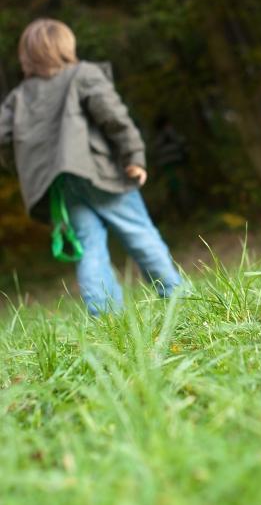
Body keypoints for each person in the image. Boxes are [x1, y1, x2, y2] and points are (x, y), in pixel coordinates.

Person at [0, 18, 182, 315]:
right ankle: (176, 297)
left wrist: (24, 167)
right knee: (139, 234)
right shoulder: (82, 74)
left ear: (26, 57)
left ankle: (106, 316)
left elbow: (4, 139)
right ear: (65, 46)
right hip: (101, 174)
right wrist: (134, 156)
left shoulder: (19, 98)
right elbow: (115, 118)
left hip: (60, 186)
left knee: (88, 247)